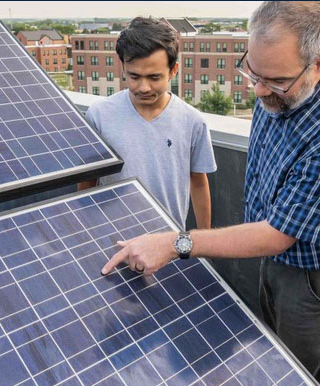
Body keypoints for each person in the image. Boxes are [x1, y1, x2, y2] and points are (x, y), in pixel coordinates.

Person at [100, 1, 320, 386]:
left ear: (318, 64)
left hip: (319, 274)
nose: (260, 89)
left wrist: (178, 241)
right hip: (274, 257)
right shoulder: (277, 76)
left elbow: (278, 234)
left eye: (275, 82)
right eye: (254, 72)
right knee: (275, 360)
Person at [78, 17, 216, 230]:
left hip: (168, 243)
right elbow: (88, 183)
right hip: (112, 239)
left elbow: (198, 182)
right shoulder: (99, 115)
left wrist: (203, 242)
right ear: (123, 66)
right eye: (134, 76)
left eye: (154, 77)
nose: (143, 87)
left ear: (173, 70)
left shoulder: (193, 122)